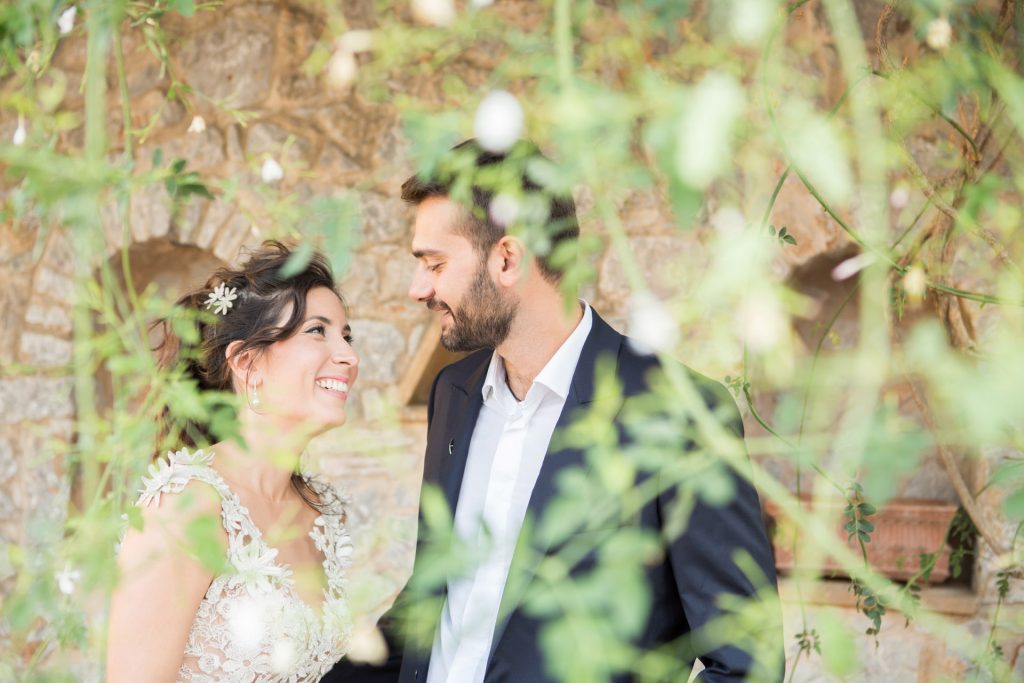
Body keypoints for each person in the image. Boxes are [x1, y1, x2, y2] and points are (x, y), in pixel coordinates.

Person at [326, 141, 782, 683]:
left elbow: (746, 663)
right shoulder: (454, 393)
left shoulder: (679, 413)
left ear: (508, 258)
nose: (417, 288)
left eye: (435, 263)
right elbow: (432, 601)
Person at [107, 241, 359, 682]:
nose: (349, 357)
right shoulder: (184, 508)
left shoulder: (321, 509)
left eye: (346, 335)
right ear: (247, 362)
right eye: (317, 331)